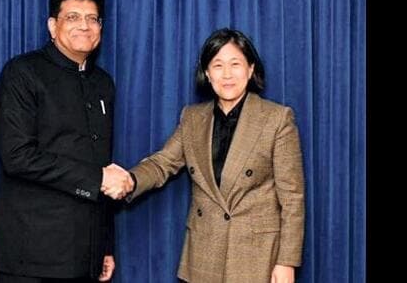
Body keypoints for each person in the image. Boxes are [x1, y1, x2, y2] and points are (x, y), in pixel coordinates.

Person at [114, 28, 305, 282]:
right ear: (207, 73)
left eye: (235, 64)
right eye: (217, 65)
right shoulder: (192, 118)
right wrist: (130, 180)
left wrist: (286, 261)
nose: (227, 74)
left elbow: (292, 198)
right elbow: (163, 163)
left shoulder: (277, 118)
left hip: (257, 256)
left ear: (250, 69)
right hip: (205, 253)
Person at [0, 0, 133, 283]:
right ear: (53, 26)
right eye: (73, 17)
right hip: (30, 256)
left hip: (85, 256)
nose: (85, 25)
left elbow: (101, 162)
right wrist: (98, 179)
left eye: (93, 19)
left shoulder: (103, 83)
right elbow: (18, 157)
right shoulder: (22, 73)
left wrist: (104, 246)